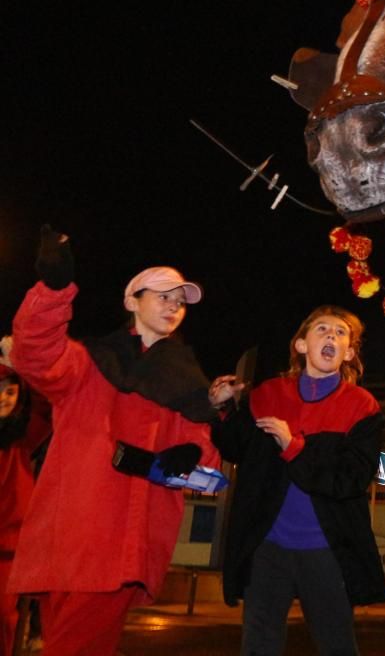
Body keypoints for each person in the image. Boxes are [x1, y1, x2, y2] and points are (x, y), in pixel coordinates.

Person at [7, 226, 222, 656]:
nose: (173, 306)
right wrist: (53, 288)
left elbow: (206, 474)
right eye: (162, 296)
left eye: (179, 301)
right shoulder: (88, 362)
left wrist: (187, 457)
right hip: (65, 535)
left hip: (119, 543)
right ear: (131, 302)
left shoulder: (188, 384)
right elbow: (35, 353)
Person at [208, 305, 385, 656]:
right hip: (268, 548)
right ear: (301, 345)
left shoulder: (362, 406)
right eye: (321, 329)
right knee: (259, 645)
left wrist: (294, 447)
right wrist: (224, 410)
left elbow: (350, 480)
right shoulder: (267, 395)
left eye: (340, 333)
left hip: (326, 550)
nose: (331, 336)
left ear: (349, 353)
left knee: (336, 645)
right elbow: (236, 448)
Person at [0, 349, 52, 656]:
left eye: (11, 390)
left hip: (8, 552)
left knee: (5, 623)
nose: (5, 398)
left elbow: (46, 406)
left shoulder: (22, 437)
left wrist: (22, 362)